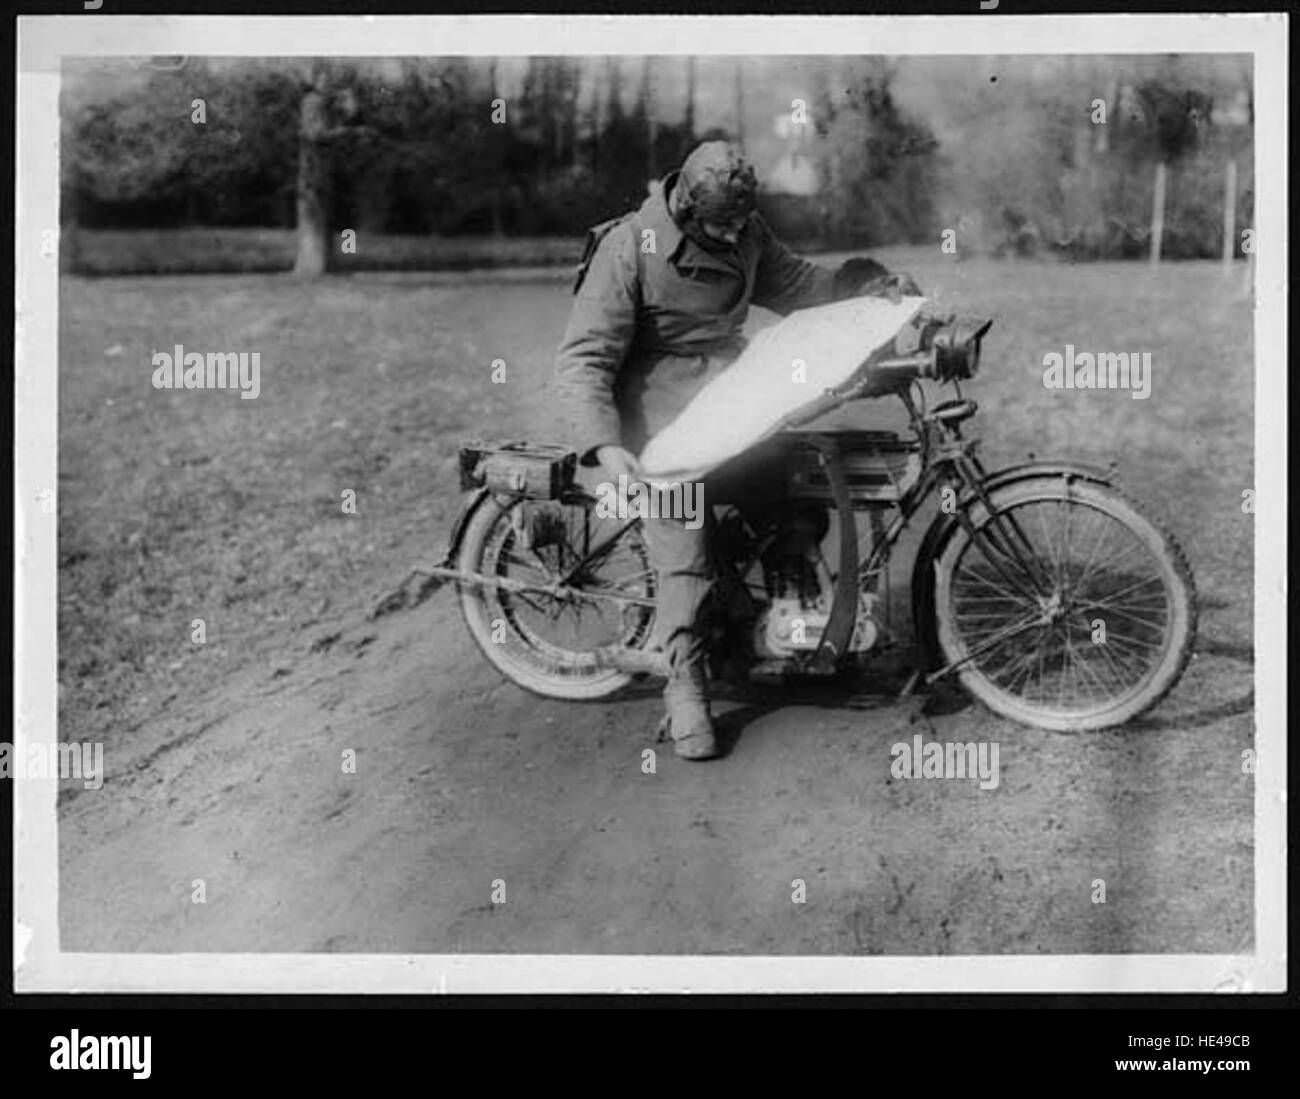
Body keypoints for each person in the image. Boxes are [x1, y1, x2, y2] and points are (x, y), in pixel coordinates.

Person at [551, 140, 916, 760]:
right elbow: (583, 360)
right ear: (688, 209)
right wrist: (607, 447)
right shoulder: (629, 247)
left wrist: (867, 287)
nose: (733, 234)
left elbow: (797, 282)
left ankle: (774, 624)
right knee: (685, 557)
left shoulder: (745, 231)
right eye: (721, 224)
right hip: (659, 427)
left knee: (801, 501)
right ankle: (686, 686)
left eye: (741, 222)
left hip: (734, 405)